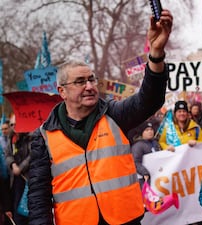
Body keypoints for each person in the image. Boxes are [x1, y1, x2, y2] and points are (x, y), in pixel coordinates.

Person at [28, 9, 173, 225]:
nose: (89, 86)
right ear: (62, 92)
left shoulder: (115, 115)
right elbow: (38, 195)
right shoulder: (43, 135)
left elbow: (149, 100)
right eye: (80, 82)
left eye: (92, 79)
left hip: (125, 220)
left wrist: (156, 53)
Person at [5, 131, 31, 225]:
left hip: (28, 177)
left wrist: (21, 168)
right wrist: (13, 164)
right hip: (15, 178)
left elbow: (32, 155)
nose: (13, 126)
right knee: (17, 206)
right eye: (12, 124)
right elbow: (7, 154)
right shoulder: (11, 137)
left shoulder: (30, 137)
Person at [131, 120, 161, 189]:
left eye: (151, 129)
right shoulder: (138, 146)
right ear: (142, 133)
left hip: (157, 176)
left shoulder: (156, 143)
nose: (150, 131)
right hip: (145, 178)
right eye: (147, 130)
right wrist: (144, 172)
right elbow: (135, 162)